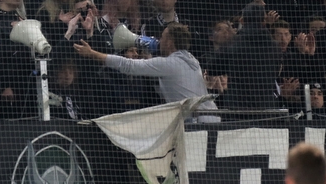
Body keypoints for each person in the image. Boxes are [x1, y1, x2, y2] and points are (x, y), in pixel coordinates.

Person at [73, 23, 219, 121]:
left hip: (198, 123)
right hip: (213, 117)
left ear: (169, 42)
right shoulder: (191, 59)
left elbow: (127, 65)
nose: (159, 41)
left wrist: (92, 53)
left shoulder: (170, 64)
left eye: (162, 37)